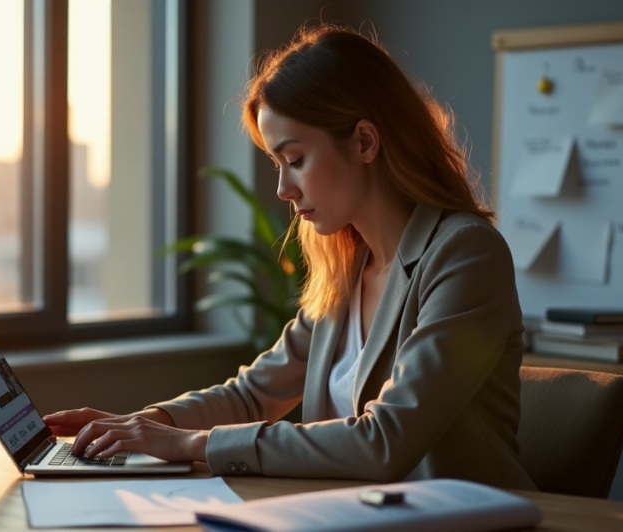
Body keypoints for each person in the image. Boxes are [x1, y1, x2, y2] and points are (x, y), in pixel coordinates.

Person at [43, 24, 536, 490]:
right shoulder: (346, 267)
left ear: (364, 141)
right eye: (277, 164)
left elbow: (386, 440)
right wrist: (143, 424)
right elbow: (253, 395)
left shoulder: (465, 254)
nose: (283, 188)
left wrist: (188, 444)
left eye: (295, 160)